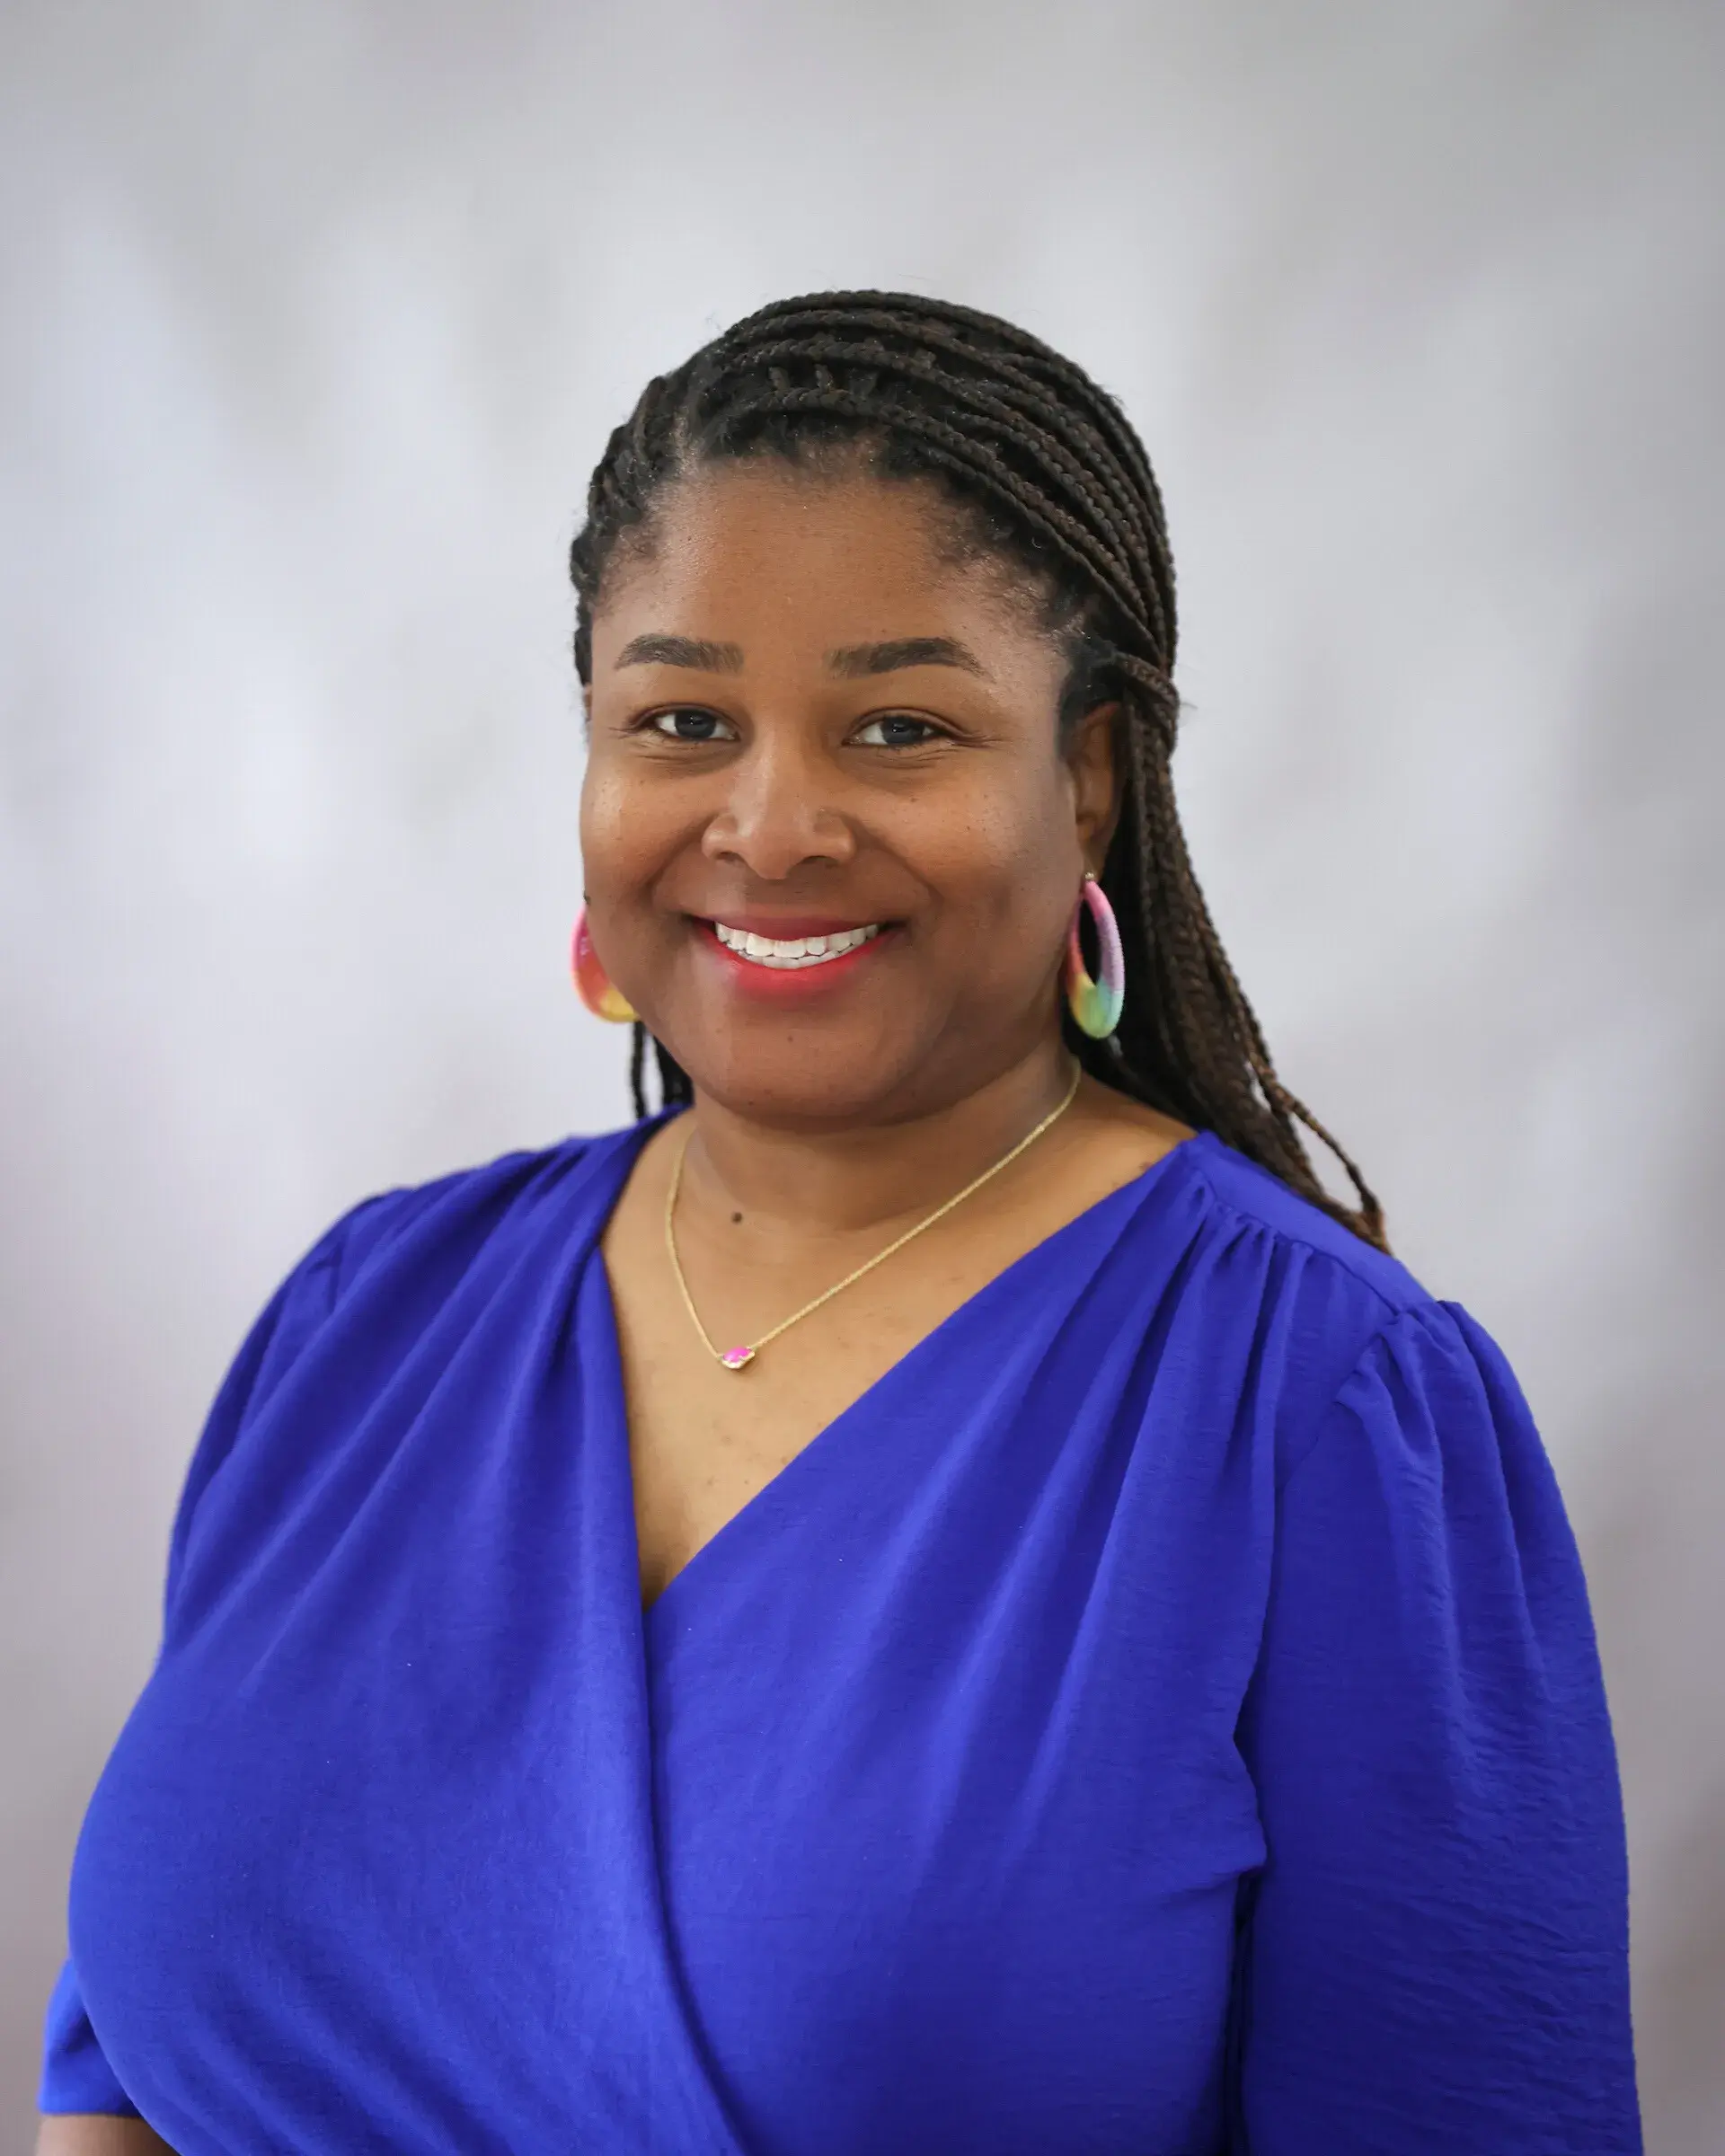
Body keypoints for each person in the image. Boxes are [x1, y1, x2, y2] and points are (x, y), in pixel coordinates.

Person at [37, 292, 1641, 2154]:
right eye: (682, 719)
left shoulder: (1325, 1410)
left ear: (1090, 775)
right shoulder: (364, 1320)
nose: (772, 822)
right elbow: (123, 2067)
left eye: (897, 725)